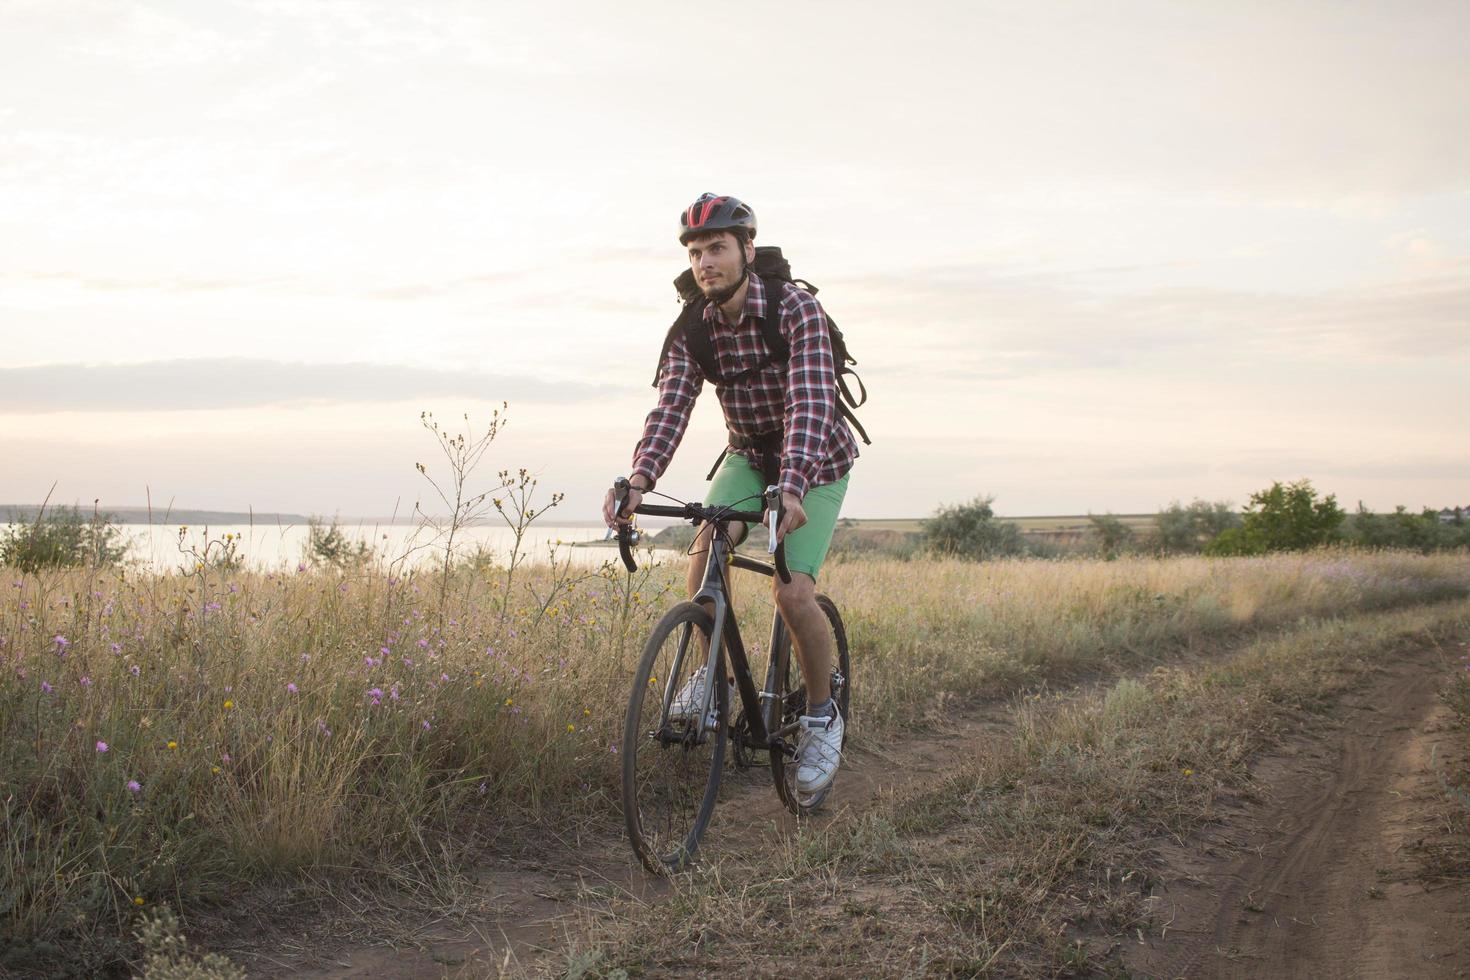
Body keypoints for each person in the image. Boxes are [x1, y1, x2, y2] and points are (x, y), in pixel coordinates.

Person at [602, 193, 859, 794]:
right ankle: (711, 678)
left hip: (816, 461)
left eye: (716, 248)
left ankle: (822, 718)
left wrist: (791, 487)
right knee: (702, 564)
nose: (704, 262)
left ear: (746, 249)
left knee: (793, 593)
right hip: (748, 456)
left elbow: (811, 405)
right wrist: (639, 480)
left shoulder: (795, 311)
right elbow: (671, 408)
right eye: (695, 253)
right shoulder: (693, 326)